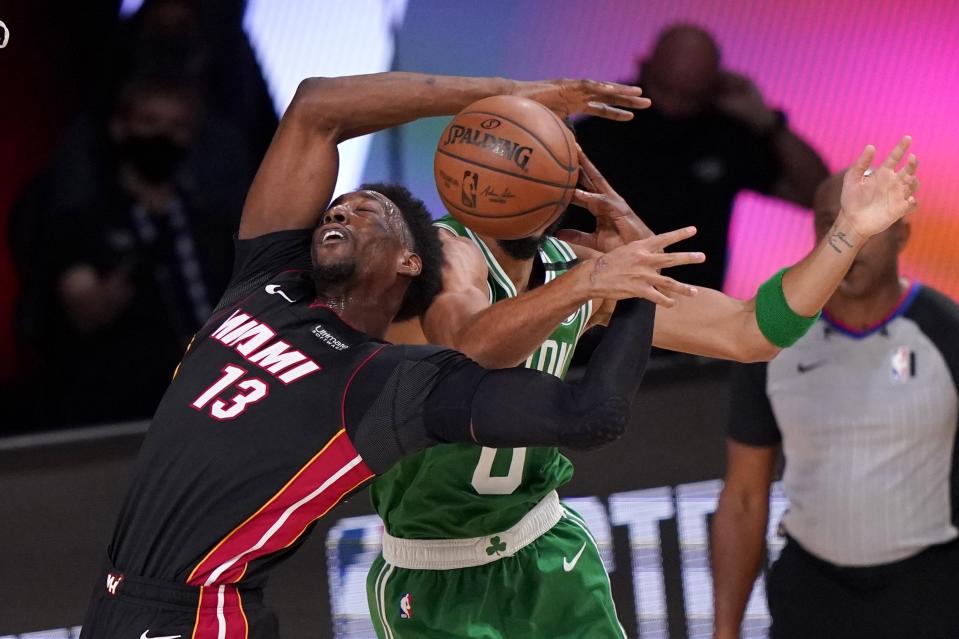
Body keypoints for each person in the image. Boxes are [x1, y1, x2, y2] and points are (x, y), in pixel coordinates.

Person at [78, 71, 703, 639]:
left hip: (198, 612)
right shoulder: (268, 283)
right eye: (337, 207)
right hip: (113, 601)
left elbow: (592, 414)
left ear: (411, 260)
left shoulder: (384, 386)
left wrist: (626, 284)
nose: (342, 207)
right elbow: (318, 108)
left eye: (368, 210)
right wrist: (504, 95)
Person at [371, 136, 918, 637]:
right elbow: (471, 348)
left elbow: (752, 332)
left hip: (543, 545)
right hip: (437, 569)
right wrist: (594, 281)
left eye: (555, 166)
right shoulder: (438, 259)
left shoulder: (574, 270)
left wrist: (850, 230)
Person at [711, 171, 958, 639]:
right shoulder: (770, 341)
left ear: (902, 232)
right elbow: (743, 498)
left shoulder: (946, 332)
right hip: (814, 592)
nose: (851, 237)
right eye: (833, 223)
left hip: (933, 589)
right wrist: (725, 630)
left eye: (869, 224)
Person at [11, 74, 248, 427]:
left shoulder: (213, 226)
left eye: (177, 126)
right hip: (116, 408)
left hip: (215, 394)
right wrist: (131, 268)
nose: (162, 136)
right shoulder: (84, 224)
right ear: (121, 127)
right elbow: (85, 313)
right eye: (150, 122)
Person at [570, 24, 829, 291]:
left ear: (714, 87)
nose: (671, 107)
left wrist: (767, 121)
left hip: (692, 310)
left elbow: (816, 193)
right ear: (644, 69)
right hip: (599, 304)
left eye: (689, 97)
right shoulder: (595, 132)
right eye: (664, 89)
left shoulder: (723, 135)